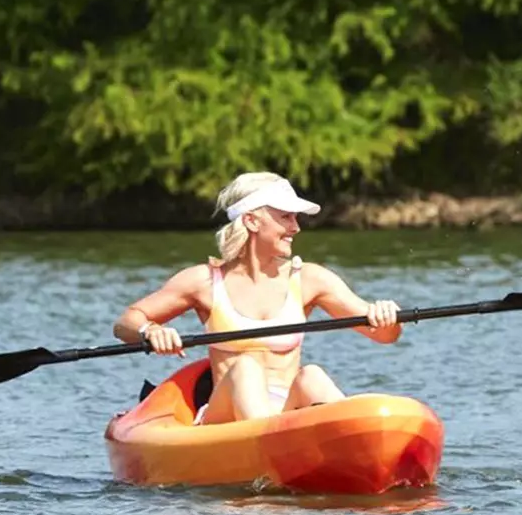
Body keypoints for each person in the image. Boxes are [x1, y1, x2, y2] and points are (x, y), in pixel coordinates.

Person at [113, 172, 401, 422]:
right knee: (246, 368)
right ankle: (269, 446)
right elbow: (126, 322)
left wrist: (386, 316)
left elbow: (384, 336)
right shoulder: (203, 282)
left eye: (295, 218)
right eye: (285, 217)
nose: (296, 227)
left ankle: (354, 444)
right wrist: (149, 330)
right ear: (251, 221)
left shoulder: (310, 279)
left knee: (312, 375)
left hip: (285, 415)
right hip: (225, 420)